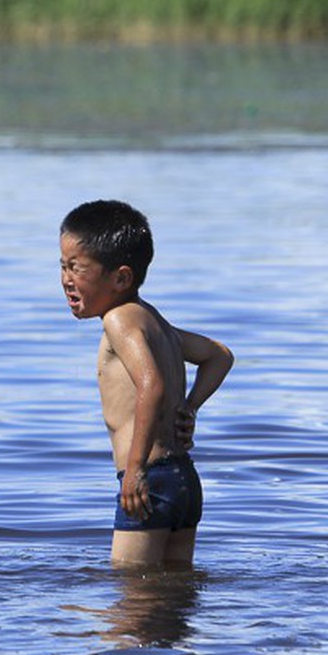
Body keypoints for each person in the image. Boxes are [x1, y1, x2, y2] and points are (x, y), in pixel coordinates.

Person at [60, 200, 232, 568]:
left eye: (76, 268)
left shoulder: (119, 320)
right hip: (182, 479)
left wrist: (135, 469)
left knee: (129, 600)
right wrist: (190, 406)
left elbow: (150, 385)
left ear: (121, 278)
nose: (65, 279)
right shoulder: (155, 322)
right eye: (62, 266)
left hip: (149, 481)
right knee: (172, 596)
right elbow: (218, 355)